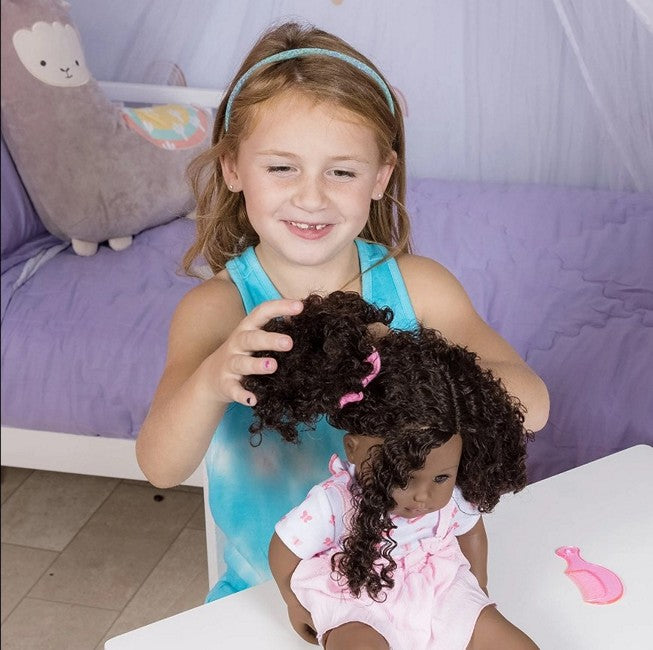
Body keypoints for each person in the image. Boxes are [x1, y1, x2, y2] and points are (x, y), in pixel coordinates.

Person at [135, 21, 550, 602]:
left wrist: (409, 361)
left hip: (416, 587)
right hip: (269, 597)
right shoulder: (217, 312)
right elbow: (159, 467)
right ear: (232, 168)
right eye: (282, 167)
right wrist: (212, 380)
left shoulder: (419, 288)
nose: (311, 196)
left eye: (343, 171)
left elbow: (532, 407)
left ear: (379, 177)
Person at [245, 291, 538, 649]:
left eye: (441, 477)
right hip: (356, 594)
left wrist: (477, 585)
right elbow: (284, 546)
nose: (422, 495)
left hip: (438, 586)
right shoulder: (335, 503)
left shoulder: (453, 498)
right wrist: (292, 601)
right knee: (356, 641)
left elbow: (472, 532)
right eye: (402, 476)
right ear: (353, 449)